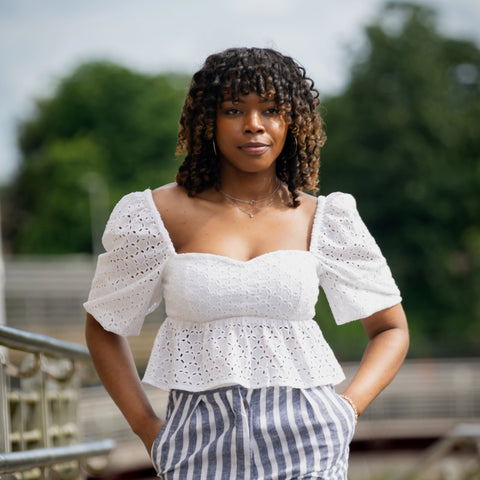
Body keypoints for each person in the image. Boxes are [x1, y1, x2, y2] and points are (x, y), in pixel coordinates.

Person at [84, 47, 409, 479]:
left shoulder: (326, 218)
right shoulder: (154, 214)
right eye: (234, 109)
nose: (254, 124)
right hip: (197, 442)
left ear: (291, 121)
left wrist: (346, 411)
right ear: (208, 122)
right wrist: (148, 429)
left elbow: (391, 329)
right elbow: (104, 326)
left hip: (309, 440)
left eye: (271, 109)